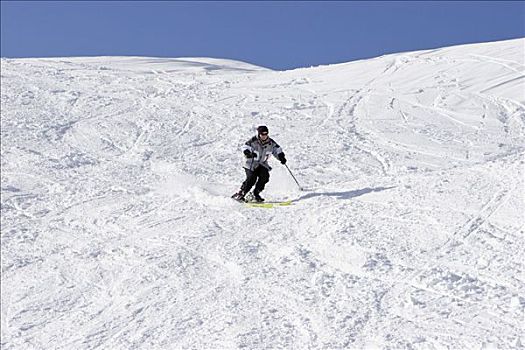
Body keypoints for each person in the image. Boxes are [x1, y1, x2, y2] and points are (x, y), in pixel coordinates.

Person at [232, 125, 286, 202]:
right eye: (262, 134)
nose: (264, 136)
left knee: (265, 176)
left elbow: (277, 150)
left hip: (262, 164)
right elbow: (245, 147)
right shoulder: (253, 141)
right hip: (251, 164)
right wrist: (248, 153)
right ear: (258, 134)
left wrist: (281, 156)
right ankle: (241, 193)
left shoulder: (271, 143)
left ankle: (255, 194)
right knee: (251, 178)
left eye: (266, 134)